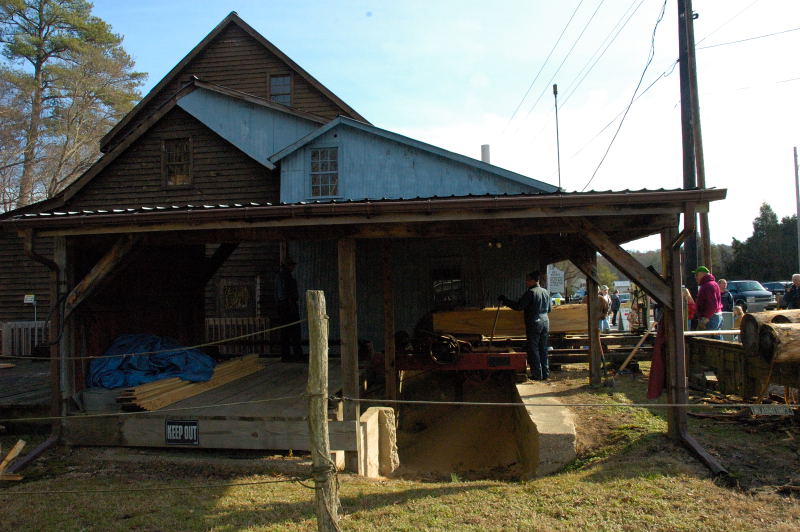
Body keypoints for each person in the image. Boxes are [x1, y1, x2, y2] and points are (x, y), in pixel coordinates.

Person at [499, 271, 552, 381]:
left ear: (533, 280)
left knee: (533, 349)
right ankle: (545, 374)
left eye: (528, 280)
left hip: (534, 323)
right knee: (543, 348)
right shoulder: (546, 292)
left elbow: (519, 306)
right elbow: (550, 309)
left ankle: (537, 375)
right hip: (545, 322)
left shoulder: (531, 292)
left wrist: (505, 300)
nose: (526, 282)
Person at [275, 257, 304, 362]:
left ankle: (290, 355)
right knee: (292, 331)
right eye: (292, 265)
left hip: (286, 306)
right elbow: (284, 294)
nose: (293, 267)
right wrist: (290, 305)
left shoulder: (284, 276)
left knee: (288, 332)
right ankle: (292, 355)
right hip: (287, 307)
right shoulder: (284, 277)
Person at [693, 266, 723, 338]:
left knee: (702, 341)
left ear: (701, 274)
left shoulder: (708, 286)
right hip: (716, 316)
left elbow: (712, 304)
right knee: (717, 341)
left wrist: (705, 318)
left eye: (696, 275)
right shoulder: (713, 284)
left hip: (710, 318)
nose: (695, 277)